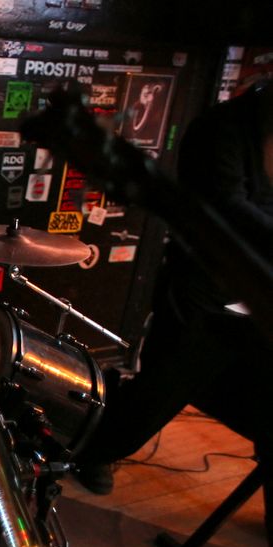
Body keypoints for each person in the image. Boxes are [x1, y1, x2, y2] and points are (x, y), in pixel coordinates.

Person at [73, 82, 273, 499]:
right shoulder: (222, 128)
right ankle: (93, 448)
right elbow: (224, 206)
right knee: (161, 389)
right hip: (203, 287)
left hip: (255, 288)